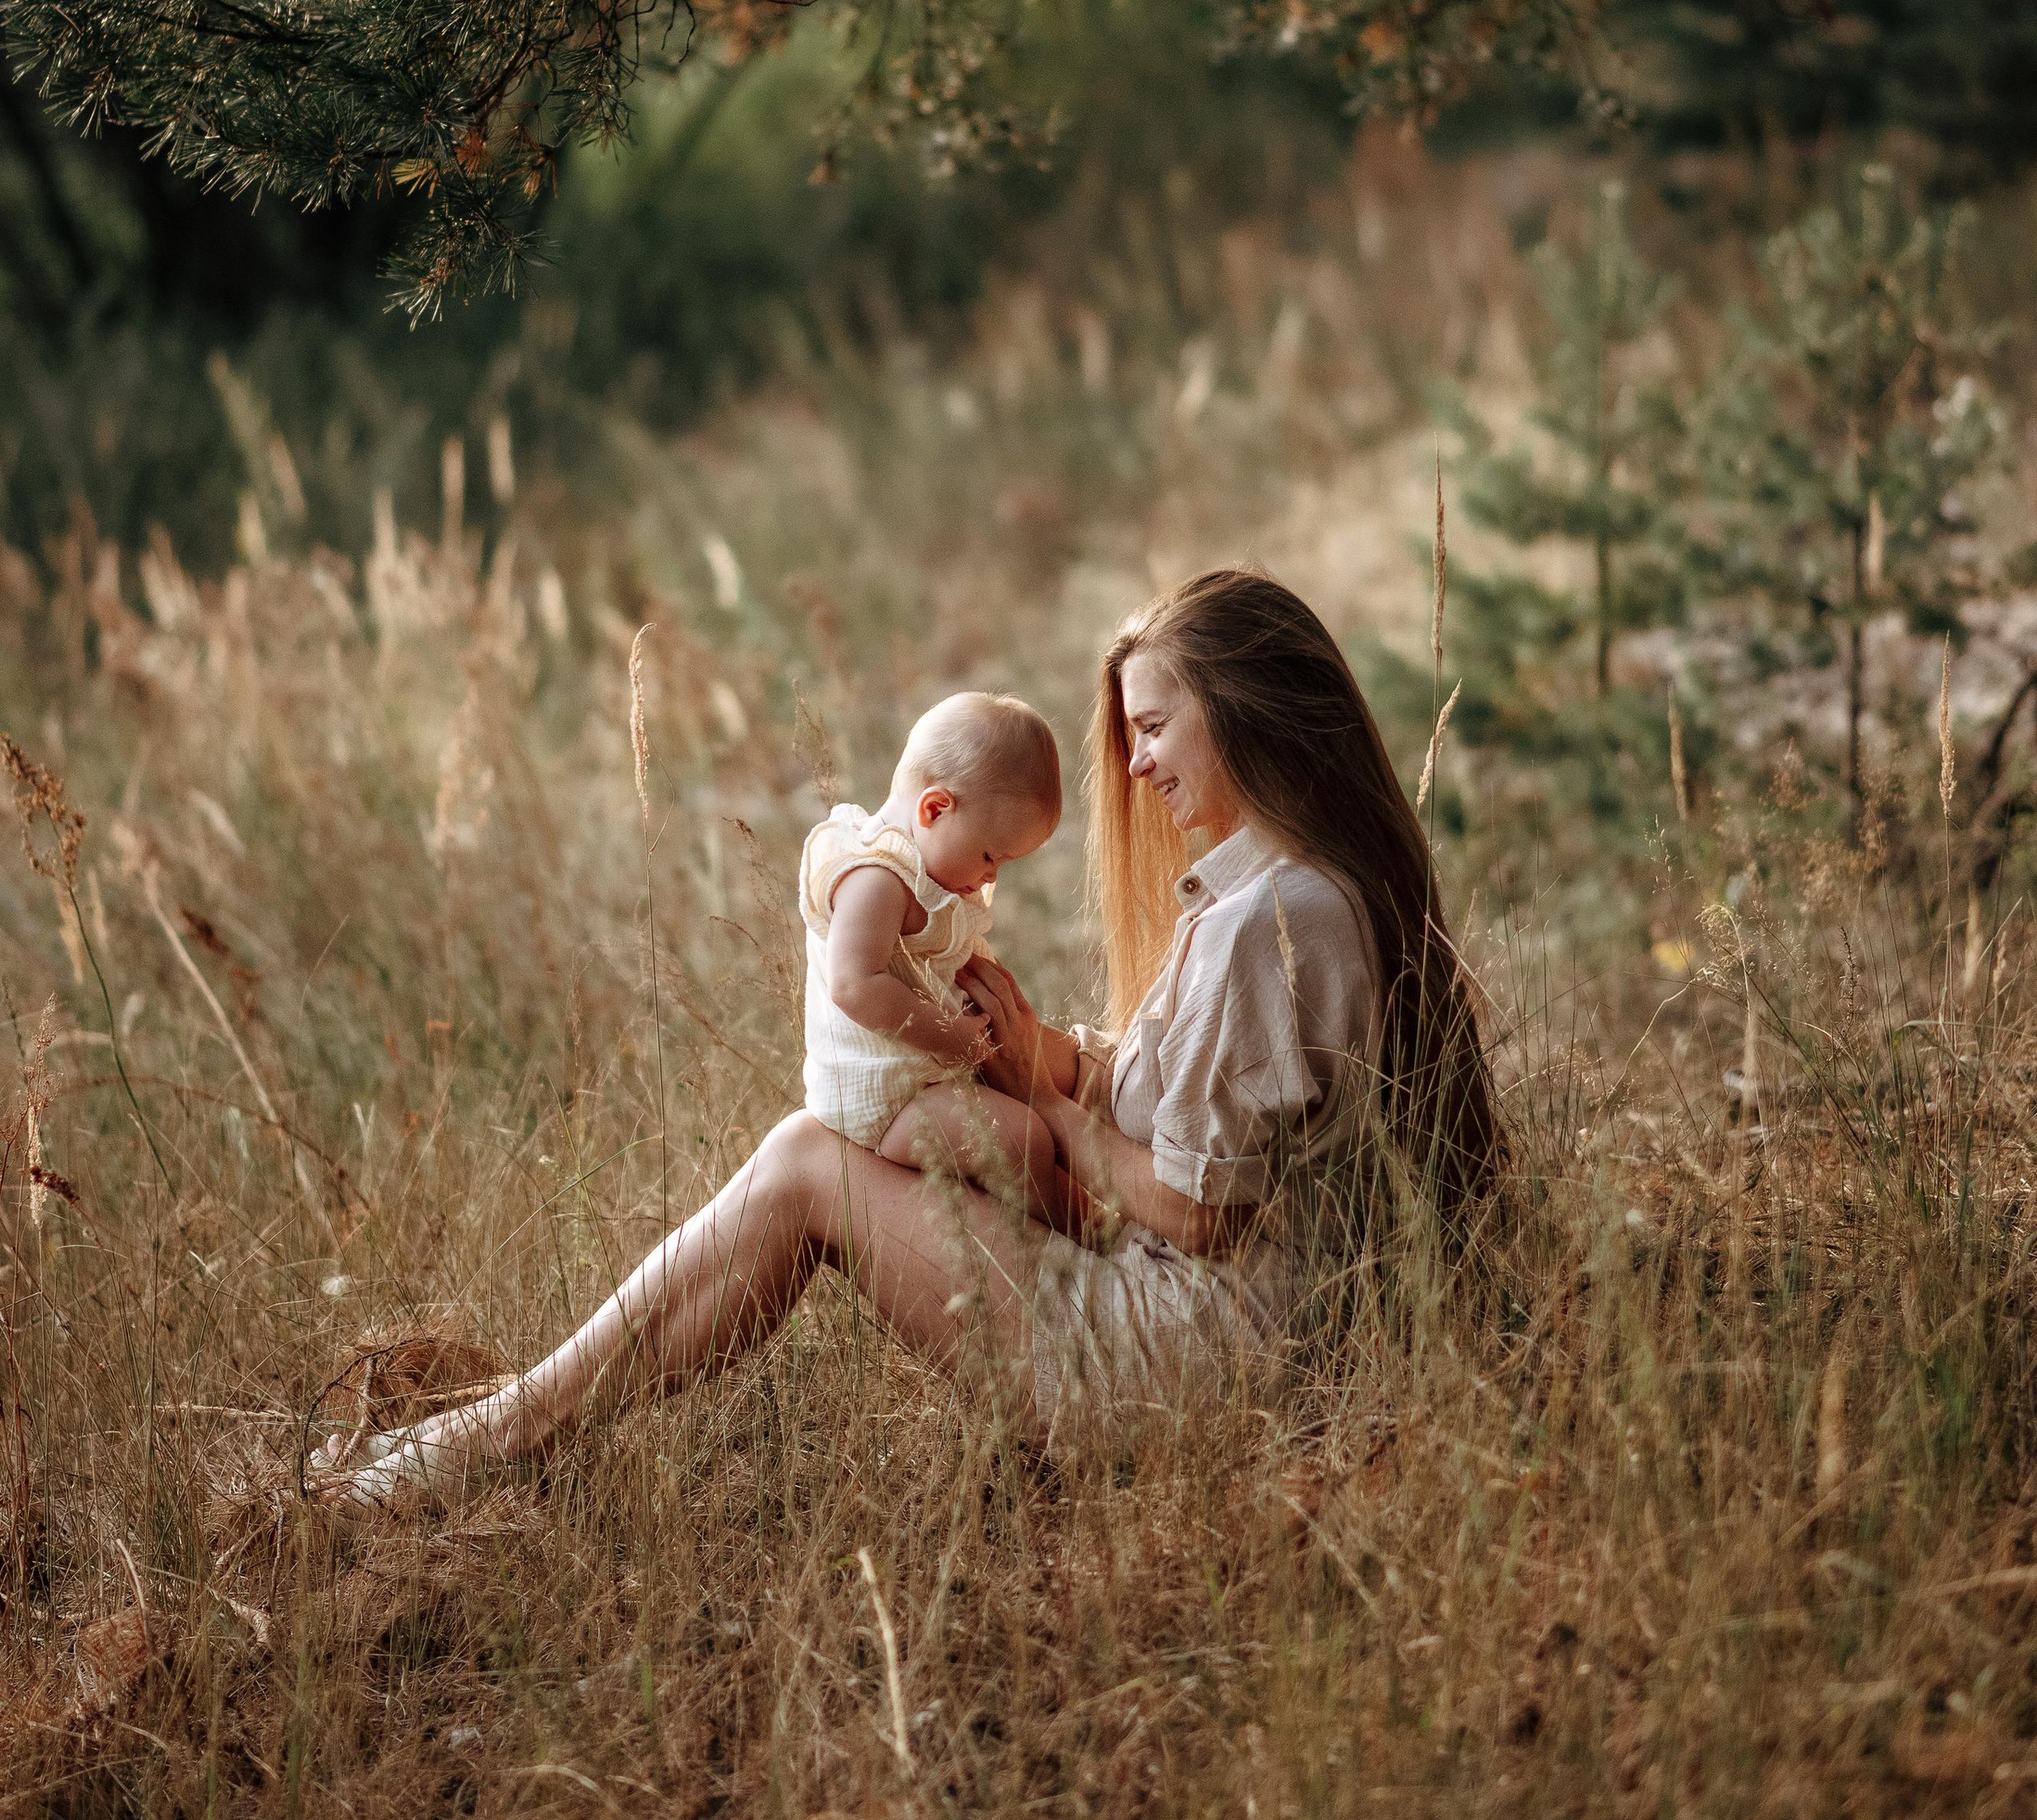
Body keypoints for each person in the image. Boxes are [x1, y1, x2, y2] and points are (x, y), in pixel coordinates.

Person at [309, 568, 1500, 1506]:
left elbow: (1201, 1212)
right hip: (1254, 1337)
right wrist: (1042, 1052)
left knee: (803, 1167)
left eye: (1152, 728)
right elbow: (1221, 1118)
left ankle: (494, 1439)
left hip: (1193, 1363)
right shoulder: (1319, 885)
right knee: (817, 1154)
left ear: (1240, 710)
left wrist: (1073, 1125)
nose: (1134, 765)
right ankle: (501, 1425)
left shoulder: (1267, 920)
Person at [799, 689, 1065, 1222]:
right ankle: (1064, 1250)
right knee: (1024, 1141)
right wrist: (953, 1037)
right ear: (935, 808)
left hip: (918, 1076)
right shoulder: (875, 879)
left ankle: (1051, 1218)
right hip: (883, 1099)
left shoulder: (918, 872)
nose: (992, 876)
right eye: (991, 856)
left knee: (1039, 1101)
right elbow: (854, 985)